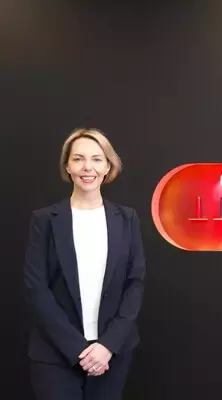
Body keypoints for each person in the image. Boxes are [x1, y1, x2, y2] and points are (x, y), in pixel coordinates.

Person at [23, 128, 146, 399]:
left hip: (111, 354)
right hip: (54, 354)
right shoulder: (44, 220)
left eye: (97, 159)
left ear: (108, 166)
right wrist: (77, 349)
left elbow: (134, 284)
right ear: (67, 166)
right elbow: (36, 289)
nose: (87, 167)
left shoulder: (127, 219)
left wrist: (107, 345)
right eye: (78, 159)